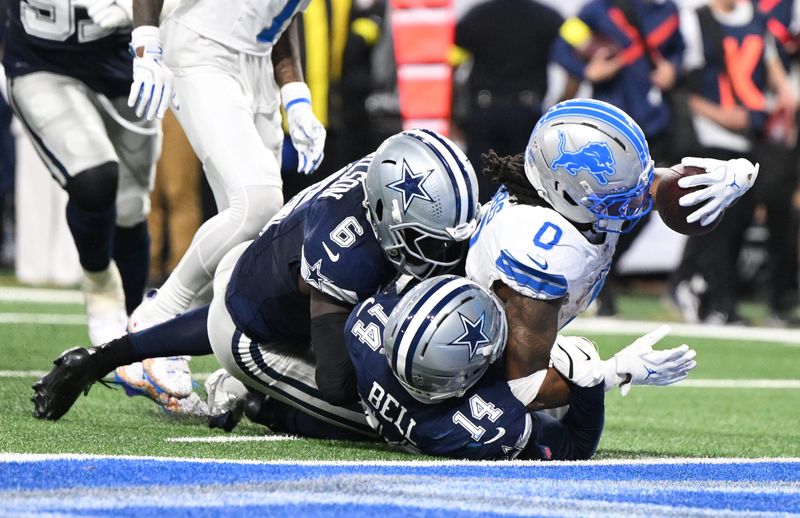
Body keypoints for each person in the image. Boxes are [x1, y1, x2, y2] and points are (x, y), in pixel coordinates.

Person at [31, 129, 480, 427]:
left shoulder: (382, 182)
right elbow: (337, 382)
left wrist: (103, 357)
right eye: (430, 242)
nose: (444, 255)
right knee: (388, 417)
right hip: (254, 339)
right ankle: (261, 403)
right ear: (385, 215)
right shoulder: (345, 252)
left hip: (264, 271)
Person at [117, 0, 328, 399]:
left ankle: (225, 359)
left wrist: (295, 91)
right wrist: (147, 42)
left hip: (257, 64)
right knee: (255, 202)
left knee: (265, 233)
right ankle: (152, 322)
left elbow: (283, 12)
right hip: (201, 48)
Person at [3, 0, 160, 346]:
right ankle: (100, 285)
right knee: (94, 178)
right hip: (41, 61)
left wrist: (145, 20)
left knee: (132, 206)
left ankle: (137, 332)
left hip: (126, 60)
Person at [668, 0, 795, 325]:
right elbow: (680, 86)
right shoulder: (695, 20)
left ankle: (711, 296)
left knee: (737, 223)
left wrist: (784, 97)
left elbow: (774, 73)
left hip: (749, 137)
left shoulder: (756, 19)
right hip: (707, 136)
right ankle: (712, 300)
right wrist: (719, 115)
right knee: (716, 223)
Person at [454, 0, 564, 203]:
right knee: (527, 193)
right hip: (527, 116)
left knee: (481, 194)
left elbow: (450, 66)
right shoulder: (548, 17)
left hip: (483, 114)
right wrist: (560, 109)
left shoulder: (477, 16)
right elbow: (580, 51)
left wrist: (453, 115)